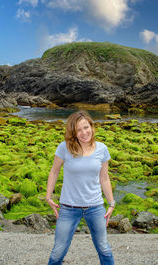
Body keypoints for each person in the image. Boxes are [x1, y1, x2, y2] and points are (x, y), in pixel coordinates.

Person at [46, 110, 115, 265]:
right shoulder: (64, 148)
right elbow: (54, 171)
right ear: (73, 132)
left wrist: (111, 203)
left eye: (86, 127)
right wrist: (48, 196)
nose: (84, 132)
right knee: (58, 251)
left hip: (95, 207)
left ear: (91, 126)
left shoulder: (102, 149)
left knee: (104, 248)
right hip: (68, 207)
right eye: (79, 130)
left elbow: (104, 178)